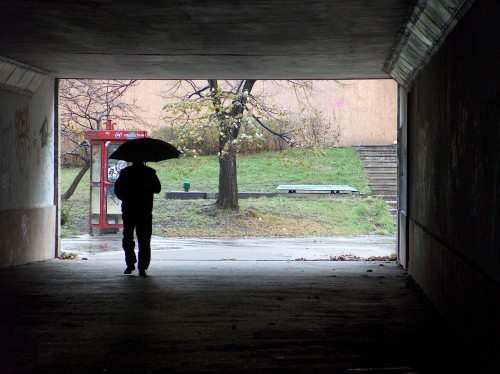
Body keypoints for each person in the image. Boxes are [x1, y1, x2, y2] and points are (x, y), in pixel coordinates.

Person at [114, 160, 161, 276]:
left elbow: (118, 190)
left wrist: (126, 198)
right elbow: (158, 188)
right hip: (145, 210)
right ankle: (142, 267)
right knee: (144, 239)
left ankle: (130, 264)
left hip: (129, 209)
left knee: (128, 237)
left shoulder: (125, 173)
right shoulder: (150, 172)